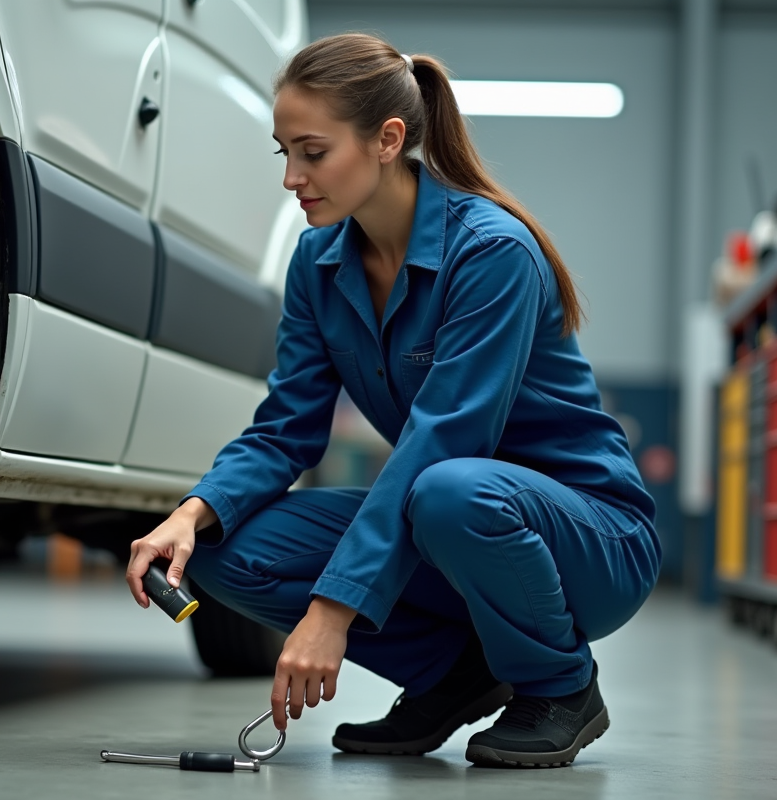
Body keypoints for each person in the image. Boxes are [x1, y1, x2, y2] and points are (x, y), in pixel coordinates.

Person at [125, 32, 660, 769]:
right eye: (284, 153)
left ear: (387, 140)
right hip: (449, 520)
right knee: (224, 551)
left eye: (313, 152)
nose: (292, 178)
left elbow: (444, 440)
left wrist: (331, 611)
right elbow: (285, 429)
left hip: (589, 543)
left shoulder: (491, 253)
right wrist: (190, 515)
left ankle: (560, 686)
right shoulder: (317, 262)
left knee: (449, 490)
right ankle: (454, 673)